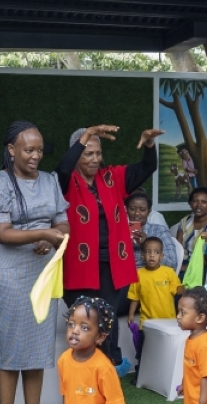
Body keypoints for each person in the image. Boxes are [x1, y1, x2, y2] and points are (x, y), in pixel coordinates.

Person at [0, 121, 69, 404]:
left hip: (43, 271)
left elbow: (63, 220)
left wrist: (55, 236)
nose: (35, 156)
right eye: (28, 149)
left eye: (40, 150)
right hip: (9, 273)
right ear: (12, 150)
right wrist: (44, 233)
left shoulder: (50, 181)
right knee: (11, 343)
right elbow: (2, 233)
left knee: (38, 344)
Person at [55, 124, 162, 375]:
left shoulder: (111, 176)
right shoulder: (65, 181)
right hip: (80, 265)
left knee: (106, 319)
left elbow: (147, 167)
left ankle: (107, 372)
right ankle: (88, 374)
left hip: (114, 262)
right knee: (85, 319)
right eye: (88, 153)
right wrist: (85, 137)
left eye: (98, 153)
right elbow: (61, 167)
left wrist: (148, 145)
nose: (96, 159)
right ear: (76, 152)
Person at [127, 238, 183, 324]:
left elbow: (178, 290)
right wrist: (131, 314)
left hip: (168, 321)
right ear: (142, 255)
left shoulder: (169, 272)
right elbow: (135, 297)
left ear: (161, 256)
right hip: (147, 322)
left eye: (156, 252)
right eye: (148, 252)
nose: (152, 255)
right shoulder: (138, 274)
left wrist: (185, 289)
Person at [128, 191, 176, 271]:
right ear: (126, 210)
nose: (136, 213)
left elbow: (172, 263)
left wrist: (146, 244)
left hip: (153, 277)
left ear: (149, 211)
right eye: (132, 209)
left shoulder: (160, 230)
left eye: (142, 209)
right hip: (127, 276)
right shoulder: (119, 232)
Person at [176, 187, 207, 269]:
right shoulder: (185, 221)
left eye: (203, 202)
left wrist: (188, 267)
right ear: (190, 204)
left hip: (205, 266)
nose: (198, 205)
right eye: (195, 201)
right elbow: (177, 249)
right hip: (183, 262)